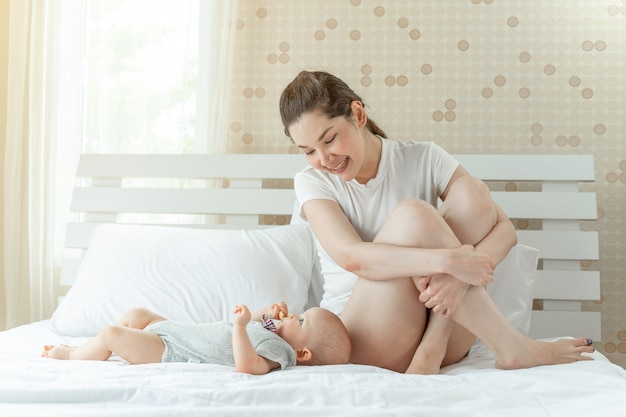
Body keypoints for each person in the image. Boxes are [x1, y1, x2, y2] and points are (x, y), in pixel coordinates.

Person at [279, 70, 595, 374]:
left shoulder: (423, 157)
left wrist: (457, 277)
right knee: (414, 215)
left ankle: (436, 344)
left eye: (329, 140)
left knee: (472, 193)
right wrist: (449, 260)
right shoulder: (312, 182)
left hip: (445, 335)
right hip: (369, 337)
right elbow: (352, 257)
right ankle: (511, 345)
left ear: (358, 115)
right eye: (308, 151)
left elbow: (505, 231)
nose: (323, 159)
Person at [41, 302, 351, 375]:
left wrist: (241, 326)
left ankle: (71, 355)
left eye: (299, 320)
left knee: (112, 335)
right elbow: (262, 324)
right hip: (176, 331)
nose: (290, 316)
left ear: (303, 353)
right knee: (136, 315)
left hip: (173, 349)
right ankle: (89, 348)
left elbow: (248, 365)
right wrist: (264, 313)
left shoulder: (280, 352)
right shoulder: (273, 332)